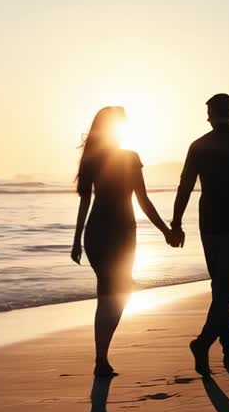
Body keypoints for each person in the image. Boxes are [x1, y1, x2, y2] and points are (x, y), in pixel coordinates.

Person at [71, 106, 178, 377]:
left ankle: (101, 356)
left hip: (101, 233)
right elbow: (141, 199)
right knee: (112, 295)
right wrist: (165, 230)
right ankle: (101, 358)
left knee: (113, 294)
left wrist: (77, 240)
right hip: (117, 232)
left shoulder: (96, 159)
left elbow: (88, 202)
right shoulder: (125, 158)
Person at [170, 93, 229, 374]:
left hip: (209, 224)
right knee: (227, 289)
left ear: (211, 115)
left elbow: (185, 186)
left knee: (220, 288)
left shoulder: (199, 146)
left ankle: (228, 351)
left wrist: (176, 223)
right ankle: (205, 344)